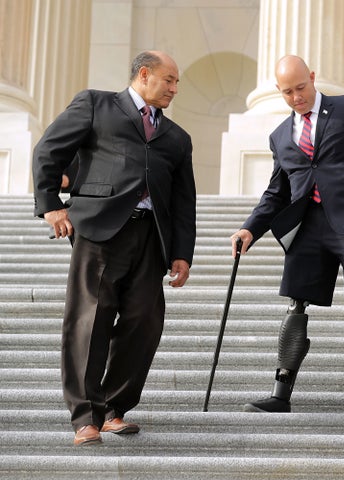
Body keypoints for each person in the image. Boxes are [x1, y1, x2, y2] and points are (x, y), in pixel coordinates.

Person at [32, 51, 196, 446]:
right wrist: (51, 205)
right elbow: (48, 151)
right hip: (100, 230)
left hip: (150, 238)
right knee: (90, 320)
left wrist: (182, 252)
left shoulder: (177, 137)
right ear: (144, 74)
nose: (174, 89)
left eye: (177, 83)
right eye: (169, 80)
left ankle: (112, 409)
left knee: (145, 323)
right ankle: (86, 417)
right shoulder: (96, 104)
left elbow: (182, 201)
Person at [231, 55, 344, 421]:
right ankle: (281, 393)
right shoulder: (280, 136)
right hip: (307, 229)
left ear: (312, 78)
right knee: (296, 304)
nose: (296, 97)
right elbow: (276, 192)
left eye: (300, 87)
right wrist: (251, 227)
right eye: (287, 93)